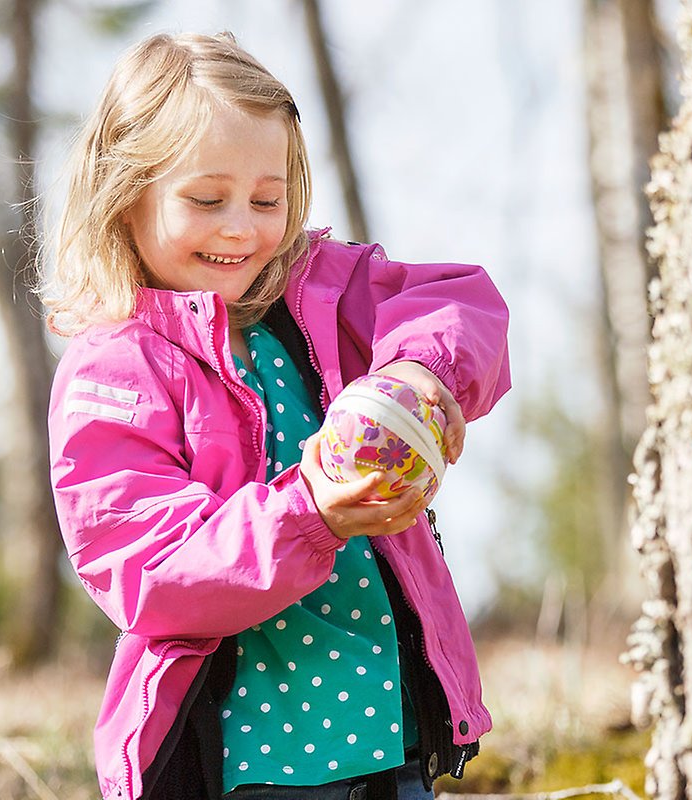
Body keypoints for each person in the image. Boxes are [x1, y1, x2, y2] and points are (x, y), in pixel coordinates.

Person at [42, 31, 511, 800]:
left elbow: (462, 303)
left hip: (390, 730)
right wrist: (312, 511)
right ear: (125, 198)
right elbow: (155, 572)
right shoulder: (116, 370)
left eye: (268, 200)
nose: (241, 228)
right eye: (206, 199)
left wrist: (422, 374)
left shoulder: (320, 295)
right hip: (250, 758)